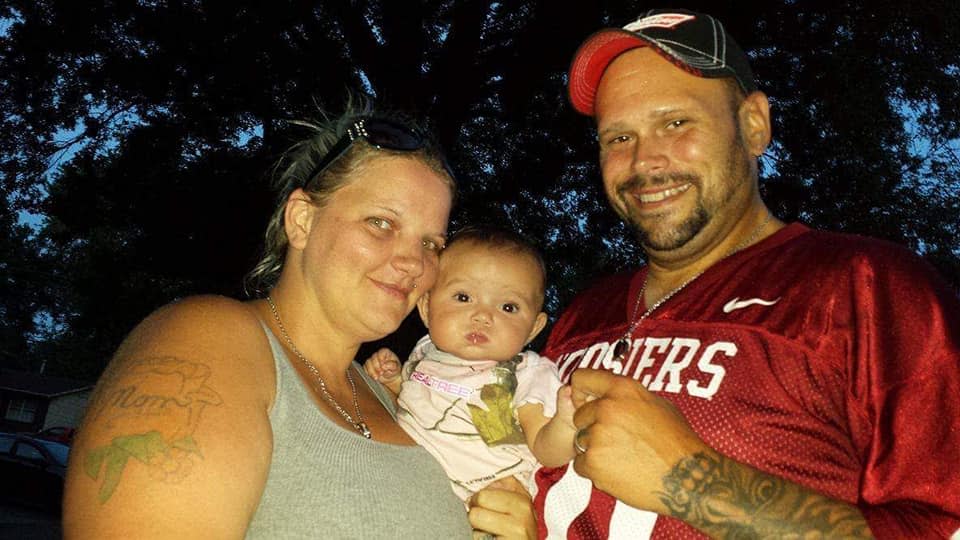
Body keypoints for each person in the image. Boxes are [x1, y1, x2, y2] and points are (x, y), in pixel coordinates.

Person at [534, 8, 960, 539]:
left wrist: (696, 484)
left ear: (754, 125)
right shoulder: (580, 314)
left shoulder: (867, 288)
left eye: (675, 123)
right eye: (618, 138)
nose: (644, 161)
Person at [62, 97, 537, 539]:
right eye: (382, 223)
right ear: (302, 220)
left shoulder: (401, 397)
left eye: (430, 243)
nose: (414, 262)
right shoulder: (214, 338)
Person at [364, 225, 577, 504]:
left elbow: (546, 450)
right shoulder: (425, 352)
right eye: (463, 297)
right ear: (427, 309)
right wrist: (393, 381)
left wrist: (565, 423)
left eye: (508, 307)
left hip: (481, 508)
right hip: (404, 483)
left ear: (533, 329)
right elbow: (412, 402)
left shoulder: (523, 373)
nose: (482, 316)